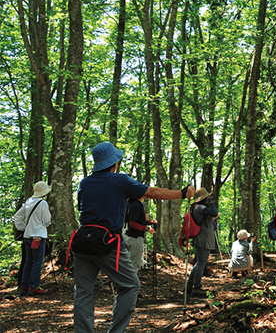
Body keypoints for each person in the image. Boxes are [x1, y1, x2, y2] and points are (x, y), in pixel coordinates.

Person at [73, 141, 194, 333]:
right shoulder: (120, 180)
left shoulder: (84, 183)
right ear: (114, 162)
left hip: (81, 243)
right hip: (108, 244)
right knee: (130, 285)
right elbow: (153, 192)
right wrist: (182, 194)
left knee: (83, 292)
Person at [13, 181, 52, 296]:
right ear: (44, 193)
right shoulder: (43, 204)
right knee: (37, 262)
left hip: (27, 236)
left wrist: (23, 228)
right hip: (38, 236)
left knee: (28, 262)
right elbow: (47, 221)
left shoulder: (29, 201)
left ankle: (24, 286)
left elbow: (17, 217)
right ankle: (34, 286)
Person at [186, 187, 220, 296]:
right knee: (201, 263)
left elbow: (210, 217)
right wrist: (211, 202)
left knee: (198, 263)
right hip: (203, 239)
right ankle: (196, 287)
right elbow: (214, 213)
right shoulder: (200, 208)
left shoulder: (196, 208)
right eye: (207, 197)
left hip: (200, 238)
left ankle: (190, 284)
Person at [124, 195, 157, 272]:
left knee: (126, 263)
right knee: (134, 264)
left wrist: (148, 223)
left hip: (128, 236)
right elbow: (132, 223)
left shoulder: (132, 204)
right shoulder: (136, 205)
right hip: (134, 238)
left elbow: (136, 221)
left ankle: (119, 283)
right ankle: (130, 283)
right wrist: (147, 229)